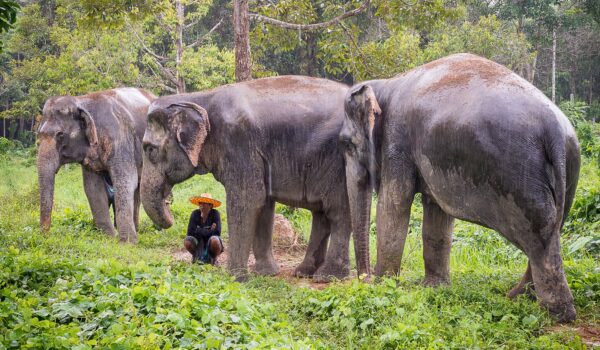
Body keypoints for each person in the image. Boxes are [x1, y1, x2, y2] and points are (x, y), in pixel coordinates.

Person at [184, 193, 224, 264]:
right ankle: (196, 256)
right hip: (198, 242)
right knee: (187, 241)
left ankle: (214, 258)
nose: (201, 205)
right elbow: (190, 232)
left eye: (204, 203)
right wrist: (210, 230)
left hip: (210, 242)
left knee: (215, 240)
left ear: (210, 205)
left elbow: (217, 232)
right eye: (200, 203)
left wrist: (198, 230)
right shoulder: (195, 214)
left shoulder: (215, 214)